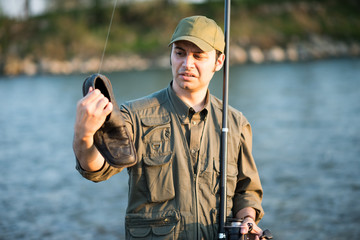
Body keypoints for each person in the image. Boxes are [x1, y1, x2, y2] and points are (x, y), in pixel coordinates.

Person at [73, 15, 264, 239]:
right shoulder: (134, 116)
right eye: (180, 53)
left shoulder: (236, 123)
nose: (187, 64)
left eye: (198, 56)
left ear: (219, 62)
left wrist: (248, 221)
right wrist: (83, 135)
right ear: (171, 55)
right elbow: (97, 168)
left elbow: (247, 192)